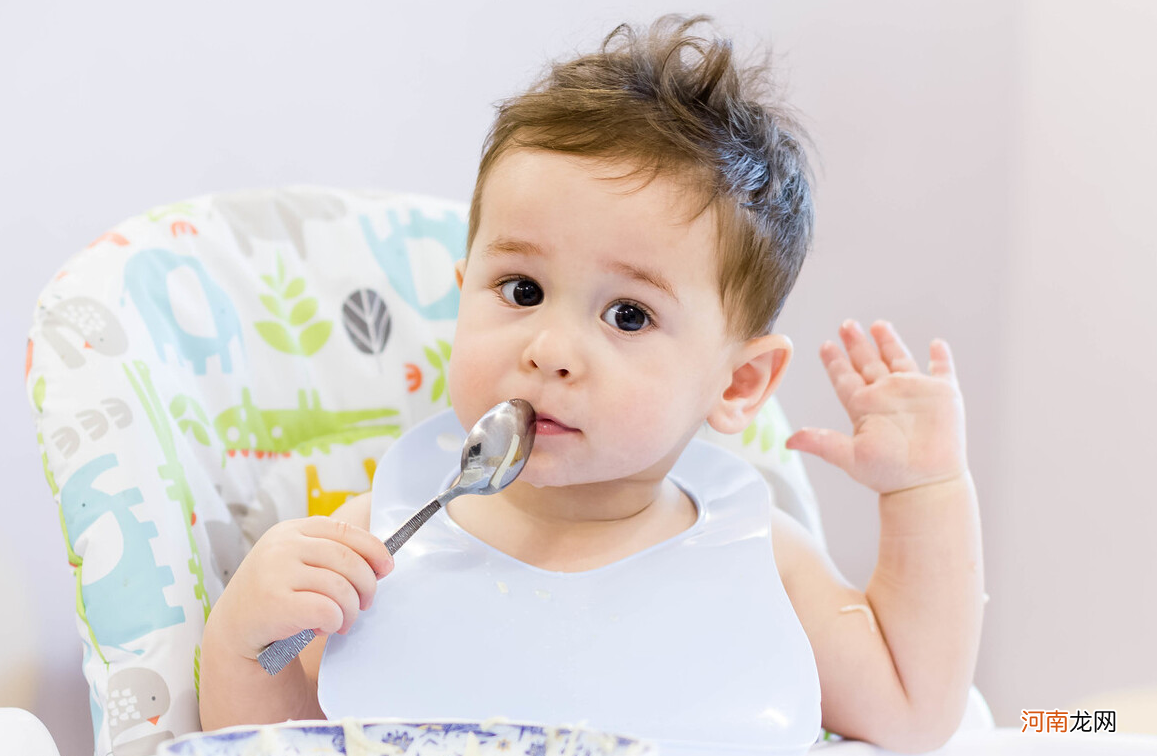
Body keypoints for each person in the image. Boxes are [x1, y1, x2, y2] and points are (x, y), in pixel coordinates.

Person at [199, 15, 982, 754]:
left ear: (738, 382)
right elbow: (277, 739)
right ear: (463, 289)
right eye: (521, 290)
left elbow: (910, 710)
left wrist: (924, 492)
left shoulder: (754, 555)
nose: (550, 350)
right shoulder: (381, 541)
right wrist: (244, 641)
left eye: (629, 315)